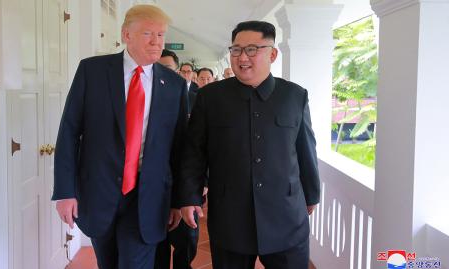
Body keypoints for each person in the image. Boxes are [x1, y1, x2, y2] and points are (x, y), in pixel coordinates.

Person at [52, 5, 188, 269]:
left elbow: (179, 147)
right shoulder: (92, 71)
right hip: (98, 192)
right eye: (148, 33)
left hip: (148, 197)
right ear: (127, 34)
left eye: (161, 35)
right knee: (108, 263)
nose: (156, 41)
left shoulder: (173, 84)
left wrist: (178, 200)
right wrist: (65, 192)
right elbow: (69, 132)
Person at [178, 20, 320, 269]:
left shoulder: (295, 96)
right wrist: (189, 196)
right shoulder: (211, 97)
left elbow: (305, 149)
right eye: (236, 50)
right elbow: (194, 152)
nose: (242, 57)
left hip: (286, 216)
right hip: (230, 217)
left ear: (272, 54)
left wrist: (312, 194)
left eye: (252, 49)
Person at [154, 51, 200, 269]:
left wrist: (204, 182)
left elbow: (204, 145)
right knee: (157, 243)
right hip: (156, 185)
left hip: (186, 183)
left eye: (168, 69)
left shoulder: (196, 99)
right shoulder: (143, 97)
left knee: (187, 240)